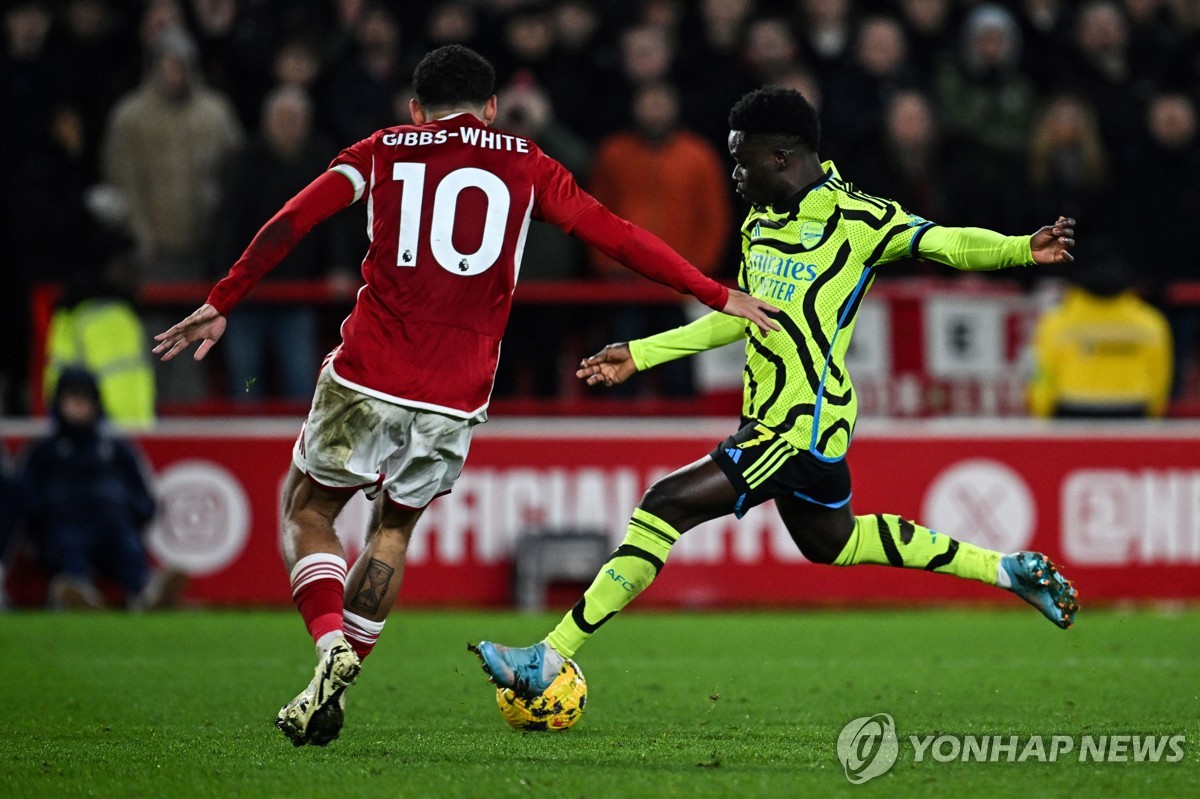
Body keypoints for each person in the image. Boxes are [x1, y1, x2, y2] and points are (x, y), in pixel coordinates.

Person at [151, 45, 778, 747]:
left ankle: (330, 646)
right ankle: (339, 674)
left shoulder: (386, 148)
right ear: (489, 108)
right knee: (393, 529)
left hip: (370, 371)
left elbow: (292, 220)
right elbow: (621, 237)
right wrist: (717, 292)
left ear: (417, 109)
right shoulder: (526, 162)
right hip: (458, 393)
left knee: (308, 506)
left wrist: (223, 296)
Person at [472, 87, 1081, 699]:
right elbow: (741, 313)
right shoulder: (760, 222)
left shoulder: (859, 219)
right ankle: (1007, 569)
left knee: (664, 505)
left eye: (743, 160)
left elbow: (944, 241)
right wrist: (642, 352)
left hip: (798, 425)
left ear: (784, 157)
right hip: (780, 421)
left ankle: (547, 659)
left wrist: (1022, 249)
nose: (734, 173)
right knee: (835, 544)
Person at [19, 367, 156, 610]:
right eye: (72, 399)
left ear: (96, 403)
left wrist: (131, 511)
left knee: (127, 546)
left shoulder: (116, 449)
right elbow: (25, 495)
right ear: (59, 403)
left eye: (85, 399)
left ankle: (145, 595)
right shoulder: (44, 451)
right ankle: (76, 594)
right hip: (64, 527)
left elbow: (144, 496)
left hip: (112, 524)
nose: (79, 406)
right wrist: (44, 517)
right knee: (69, 548)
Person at [1029, 246, 1172, 418]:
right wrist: (1152, 414)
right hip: (1133, 410)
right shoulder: (1150, 322)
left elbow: (1043, 374)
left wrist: (1042, 411)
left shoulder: (1058, 322)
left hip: (1072, 410)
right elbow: (1160, 376)